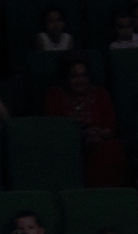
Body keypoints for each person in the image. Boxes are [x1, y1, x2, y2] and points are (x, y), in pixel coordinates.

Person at [44, 57, 124, 187]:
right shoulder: (55, 95)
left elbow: (111, 127)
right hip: (69, 143)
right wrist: (82, 134)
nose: (80, 80)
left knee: (113, 148)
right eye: (74, 76)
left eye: (84, 75)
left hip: (99, 141)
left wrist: (97, 133)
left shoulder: (100, 93)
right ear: (66, 78)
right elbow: (54, 128)